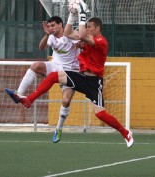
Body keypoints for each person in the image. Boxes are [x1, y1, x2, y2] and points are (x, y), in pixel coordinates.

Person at [9, 0, 134, 148]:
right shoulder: (85, 38)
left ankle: (125, 132)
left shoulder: (101, 41)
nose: (87, 29)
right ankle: (28, 100)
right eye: (86, 26)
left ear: (97, 28)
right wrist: (72, 15)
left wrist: (81, 12)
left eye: (89, 27)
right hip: (80, 76)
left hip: (94, 82)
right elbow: (69, 33)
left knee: (100, 114)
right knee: (54, 76)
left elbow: (81, 34)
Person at [5, 16, 80, 143]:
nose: (51, 28)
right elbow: (41, 47)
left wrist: (81, 44)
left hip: (70, 71)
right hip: (55, 66)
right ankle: (19, 95)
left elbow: (81, 43)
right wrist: (46, 35)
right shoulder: (51, 36)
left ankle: (58, 128)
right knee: (36, 65)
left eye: (53, 26)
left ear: (61, 24)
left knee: (66, 100)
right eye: (49, 26)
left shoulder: (71, 36)